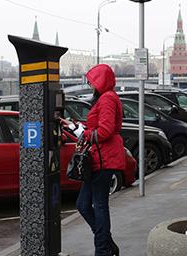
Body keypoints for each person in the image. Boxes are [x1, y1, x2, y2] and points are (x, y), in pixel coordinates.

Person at [76, 64, 125, 256]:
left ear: (100, 81)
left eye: (92, 81)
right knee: (83, 204)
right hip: (99, 158)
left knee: (99, 204)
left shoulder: (107, 99)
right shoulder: (106, 98)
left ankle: (103, 249)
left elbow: (104, 131)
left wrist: (84, 134)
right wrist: (78, 127)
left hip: (104, 158)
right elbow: (100, 127)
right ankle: (107, 242)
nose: (90, 85)